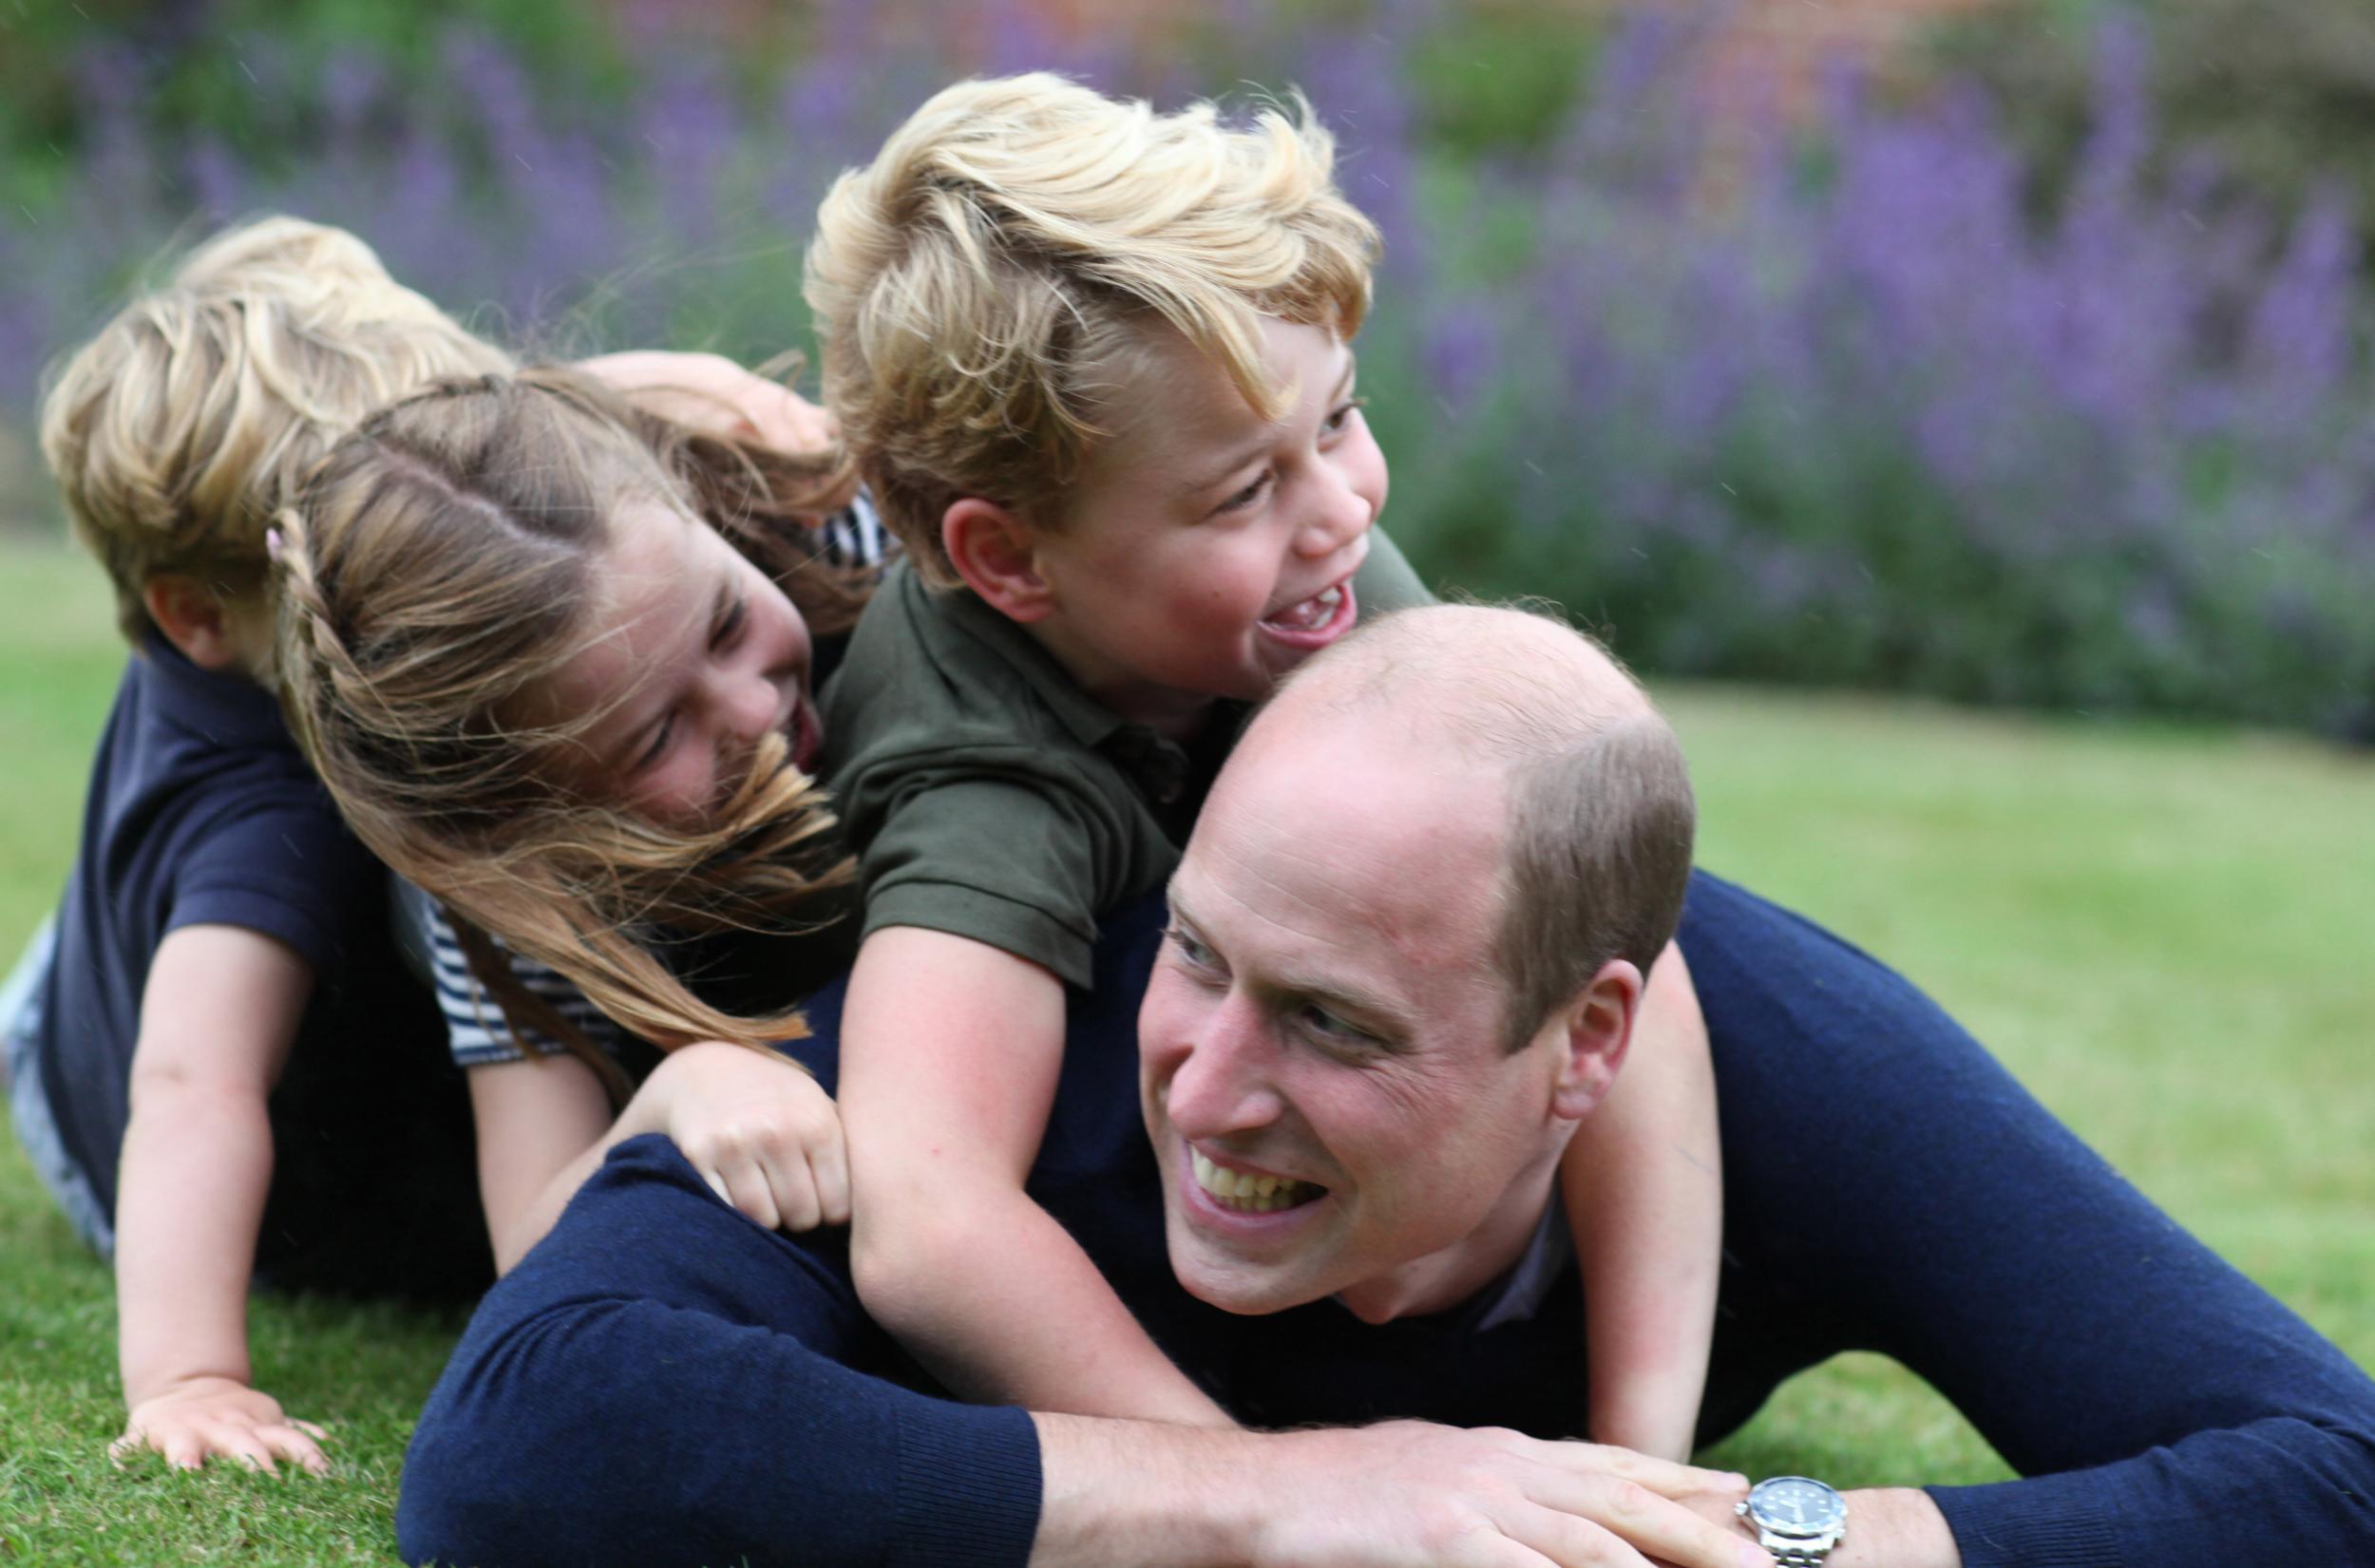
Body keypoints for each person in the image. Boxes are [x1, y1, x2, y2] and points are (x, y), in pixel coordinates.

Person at [393, 605, 2375, 1568]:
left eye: (1334, 1026)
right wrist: (1281, 1505)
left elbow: (2324, 1468)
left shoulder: (1777, 1059)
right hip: (376, 1064)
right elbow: (516, 1447)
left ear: (1584, 1043)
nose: (1208, 1087)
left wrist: (1740, 1544)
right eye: (1201, 954)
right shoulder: (1005, 1035)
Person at [801, 71, 1721, 1453]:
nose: (1342, 506)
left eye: (1340, 417)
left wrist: (1641, 1456)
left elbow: (1626, 955)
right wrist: (1267, 1497)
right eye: (1244, 490)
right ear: (1010, 558)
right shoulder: (979, 774)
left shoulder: (1303, 561)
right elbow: (930, 1224)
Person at [7, 215, 863, 1479]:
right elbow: (193, 1088)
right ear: (208, 613)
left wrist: (643, 395)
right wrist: (191, 1373)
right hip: (103, 1097)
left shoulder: (482, 545)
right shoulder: (262, 805)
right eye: (355, 548)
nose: (425, 543)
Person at [272, 367, 880, 1274]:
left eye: (723, 623)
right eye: (656, 735)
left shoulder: (843, 531)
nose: (754, 709)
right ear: (523, 812)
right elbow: (528, 1237)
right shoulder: (509, 884)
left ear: (693, 504)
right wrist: (676, 1090)